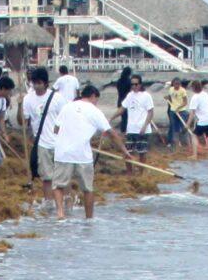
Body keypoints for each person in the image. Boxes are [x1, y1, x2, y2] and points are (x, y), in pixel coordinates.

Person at [47, 88, 127, 221]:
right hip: (82, 155)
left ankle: (60, 213)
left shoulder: (67, 106)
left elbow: (56, 129)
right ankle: (89, 219)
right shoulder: (94, 111)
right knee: (87, 189)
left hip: (63, 152)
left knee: (58, 185)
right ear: (93, 96)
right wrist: (125, 152)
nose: (96, 102)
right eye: (96, 100)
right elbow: (111, 133)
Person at [19, 67, 58, 183]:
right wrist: (20, 106)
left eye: (39, 83)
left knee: (62, 179)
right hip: (42, 144)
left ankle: (67, 195)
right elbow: (23, 122)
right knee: (47, 178)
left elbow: (65, 119)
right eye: (34, 83)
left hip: (59, 143)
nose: (36, 86)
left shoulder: (57, 98)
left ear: (46, 83)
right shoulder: (28, 99)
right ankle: (49, 197)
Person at [120, 79, 156, 158]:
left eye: (136, 84)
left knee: (142, 153)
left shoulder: (146, 96)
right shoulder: (129, 95)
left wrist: (144, 126)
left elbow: (150, 112)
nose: (134, 86)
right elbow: (122, 108)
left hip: (142, 130)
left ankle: (142, 167)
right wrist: (111, 118)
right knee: (128, 153)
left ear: (140, 84)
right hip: (131, 129)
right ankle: (129, 167)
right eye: (132, 84)